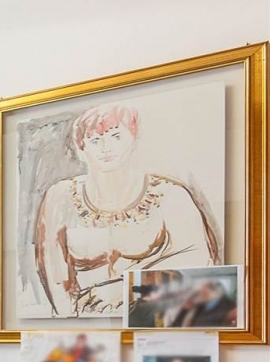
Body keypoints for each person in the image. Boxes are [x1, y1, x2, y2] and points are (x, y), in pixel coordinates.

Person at [32, 104, 220, 318]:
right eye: (95, 140)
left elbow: (199, 260)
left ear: (133, 141)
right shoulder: (60, 196)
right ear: (81, 150)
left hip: (155, 319)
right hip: (84, 320)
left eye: (116, 137)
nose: (106, 148)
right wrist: (68, 322)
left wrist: (128, 288)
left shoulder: (170, 194)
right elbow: (53, 271)